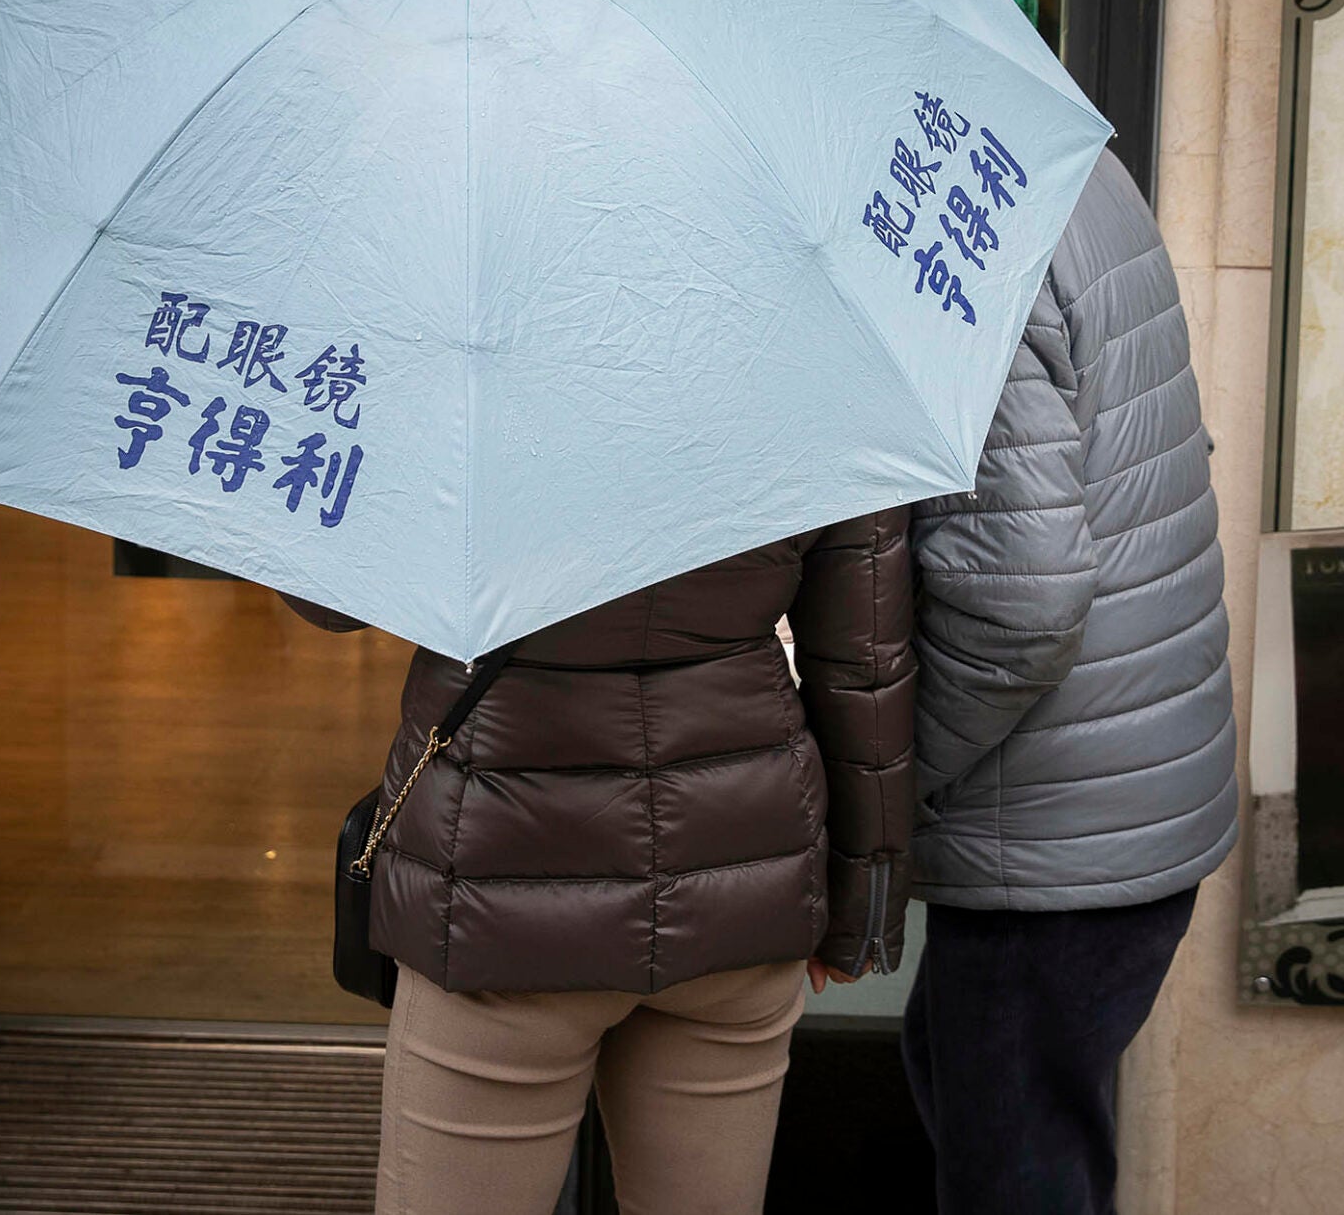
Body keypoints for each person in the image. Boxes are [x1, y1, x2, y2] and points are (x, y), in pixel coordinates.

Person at [292, 510, 915, 1215]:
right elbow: (865, 668)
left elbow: (326, 592)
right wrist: (861, 908)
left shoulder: (467, 399)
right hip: (737, 886)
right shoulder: (822, 400)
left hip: (499, 904)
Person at [900, 152, 1235, 1215]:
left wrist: (890, 782)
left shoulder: (962, 243)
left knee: (1013, 1173)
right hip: (1121, 791)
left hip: (1052, 825)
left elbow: (1024, 601)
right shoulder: (1062, 161)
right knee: (998, 1117)